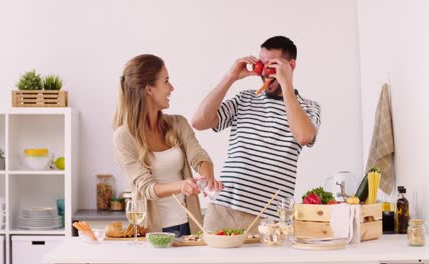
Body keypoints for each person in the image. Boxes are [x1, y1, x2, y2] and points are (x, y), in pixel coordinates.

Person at [192, 36, 321, 232]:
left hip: (270, 220)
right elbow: (199, 121)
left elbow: (304, 136)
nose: (265, 72)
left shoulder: (308, 108)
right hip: (223, 209)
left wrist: (285, 83)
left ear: (291, 65)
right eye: (263, 65)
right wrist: (230, 76)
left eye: (273, 66)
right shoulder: (245, 100)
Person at [113, 54, 223, 237]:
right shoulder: (124, 137)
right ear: (149, 89)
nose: (172, 88)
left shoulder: (178, 124)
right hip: (154, 231)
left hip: (189, 224)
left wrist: (208, 179)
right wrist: (182, 186)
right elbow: (147, 188)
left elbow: (199, 157)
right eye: (166, 81)